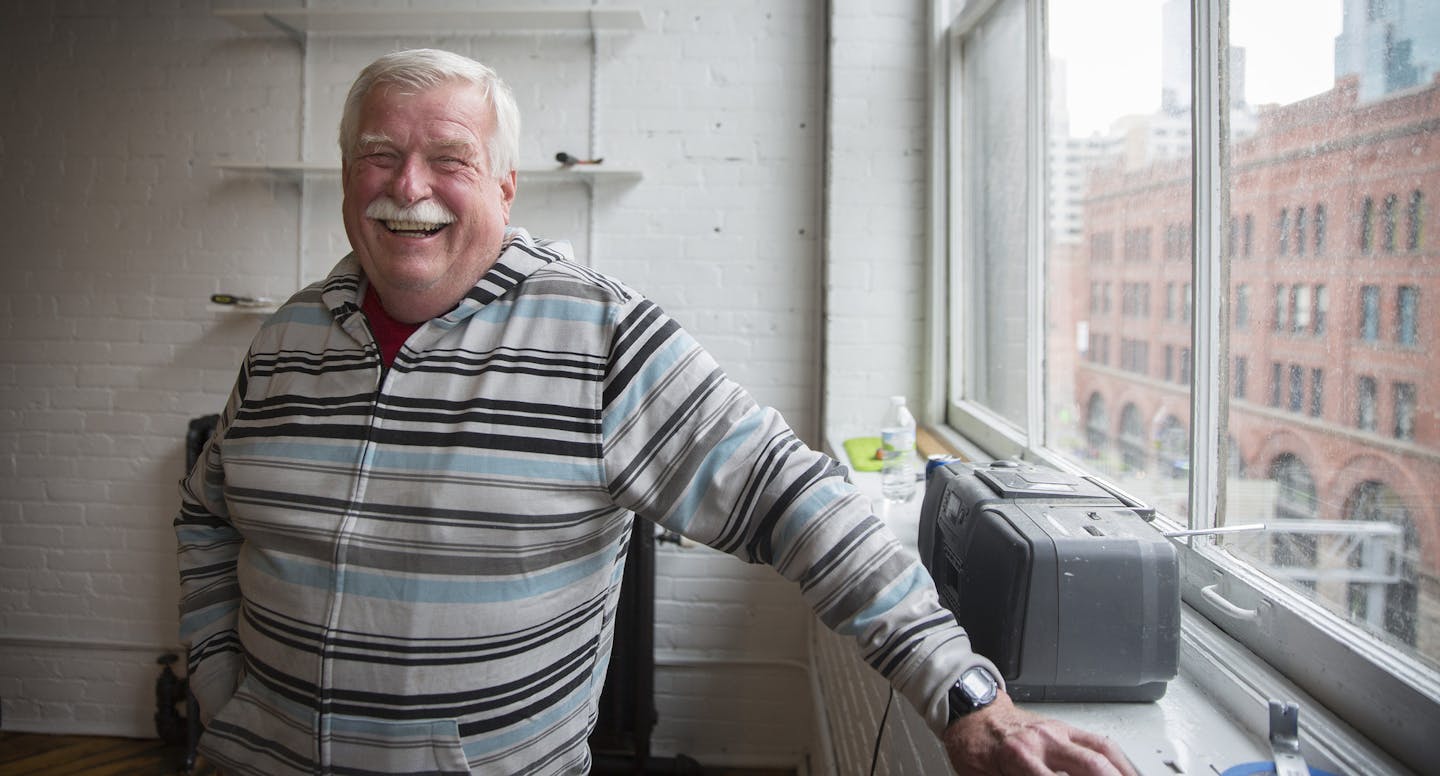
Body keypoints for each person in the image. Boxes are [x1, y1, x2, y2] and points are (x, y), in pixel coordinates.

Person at [175, 48, 1137, 776]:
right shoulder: (287, 339)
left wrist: (968, 696)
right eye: (379, 154)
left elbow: (787, 495)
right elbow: (207, 511)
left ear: (505, 187)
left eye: (449, 159)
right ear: (348, 176)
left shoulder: (599, 336)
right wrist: (221, 681)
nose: (409, 187)